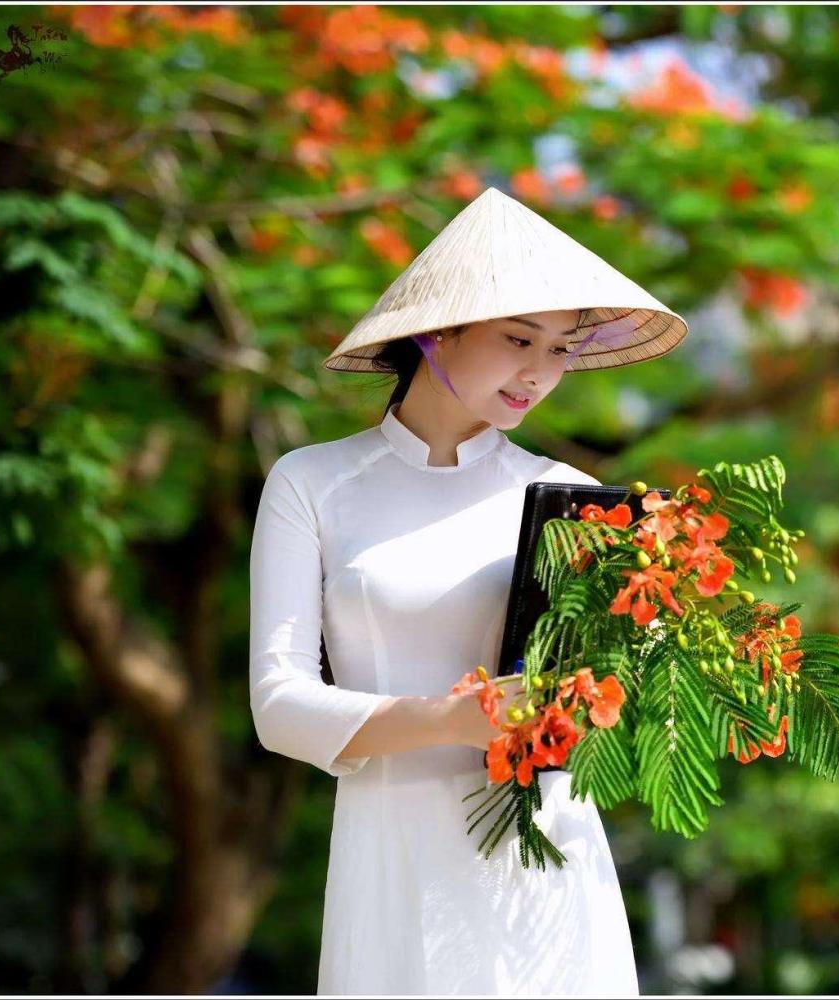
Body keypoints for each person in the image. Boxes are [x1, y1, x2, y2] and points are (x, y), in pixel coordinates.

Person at [248, 187, 688, 995]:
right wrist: (453, 717)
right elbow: (278, 708)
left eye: (559, 347)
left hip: (548, 867)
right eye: (518, 338)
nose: (539, 371)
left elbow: (596, 715)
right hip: (394, 859)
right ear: (434, 330)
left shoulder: (577, 498)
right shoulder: (312, 483)